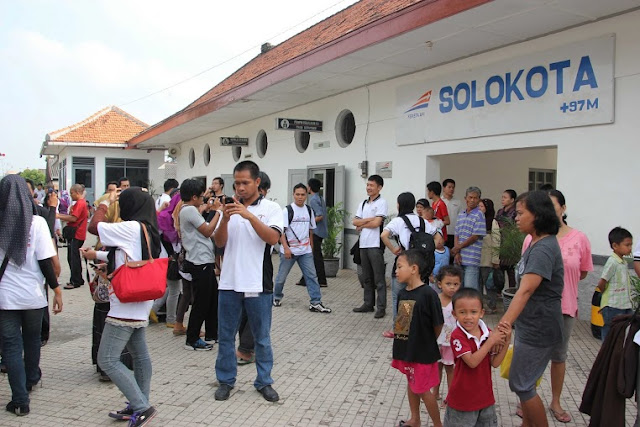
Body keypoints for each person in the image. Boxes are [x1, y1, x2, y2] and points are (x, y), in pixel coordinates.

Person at [81, 187, 164, 426]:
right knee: (139, 355)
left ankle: (141, 406)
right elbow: (126, 257)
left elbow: (93, 226)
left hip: (126, 305)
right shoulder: (146, 229)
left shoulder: (131, 227)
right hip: (139, 299)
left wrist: (105, 203)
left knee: (106, 359)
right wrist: (95, 254)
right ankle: (139, 403)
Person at [518, 189, 592, 422]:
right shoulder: (532, 238)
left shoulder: (578, 238)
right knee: (530, 364)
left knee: (558, 357)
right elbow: (525, 278)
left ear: (563, 208)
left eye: (551, 205)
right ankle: (530, 400)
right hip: (533, 312)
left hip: (564, 306)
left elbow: (581, 273)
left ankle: (555, 401)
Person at [214, 161, 283, 403]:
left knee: (261, 338)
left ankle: (264, 381)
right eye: (237, 183)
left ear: (257, 182)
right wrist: (224, 217)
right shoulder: (228, 210)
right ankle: (225, 380)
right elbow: (220, 244)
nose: (240, 187)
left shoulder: (272, 208)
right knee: (225, 336)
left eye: (245, 182)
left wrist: (248, 215)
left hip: (258, 284)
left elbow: (273, 238)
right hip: (229, 283)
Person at [498, 190, 563, 427]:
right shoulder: (536, 242)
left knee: (522, 384)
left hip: (540, 327)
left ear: (537, 215)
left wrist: (503, 326)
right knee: (522, 381)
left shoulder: (544, 248)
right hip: (531, 325)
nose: (515, 217)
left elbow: (525, 290)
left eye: (521, 213)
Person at [0, 175, 63, 417]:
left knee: (12, 348)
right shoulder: (36, 223)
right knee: (32, 340)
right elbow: (46, 262)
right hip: (34, 295)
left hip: (5, 298)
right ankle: (31, 378)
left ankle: (19, 400)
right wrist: (57, 290)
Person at [391, 249, 443, 427]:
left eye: (399, 266)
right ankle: (415, 419)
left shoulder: (429, 294)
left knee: (422, 389)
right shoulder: (402, 293)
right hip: (408, 350)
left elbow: (438, 324)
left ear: (414, 268)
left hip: (423, 352)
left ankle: (438, 424)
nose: (396, 271)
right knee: (411, 381)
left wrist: (426, 340)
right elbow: (403, 324)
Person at [444, 288, 510, 426]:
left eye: (473, 312)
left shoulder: (487, 333)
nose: (468, 317)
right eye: (462, 312)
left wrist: (506, 340)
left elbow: (495, 363)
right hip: (462, 401)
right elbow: (472, 362)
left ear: (481, 313)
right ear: (454, 314)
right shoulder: (457, 336)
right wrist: (492, 341)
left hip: (485, 398)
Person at [381, 192, 439, 337]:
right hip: (421, 265)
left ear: (399, 204)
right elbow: (438, 237)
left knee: (400, 296)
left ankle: (400, 329)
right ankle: (419, 327)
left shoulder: (398, 221)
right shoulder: (422, 221)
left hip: (404, 262)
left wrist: (394, 249)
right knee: (418, 295)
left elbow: (383, 235)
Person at [273, 183, 331, 313]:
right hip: (289, 251)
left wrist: (311, 246)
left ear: (306, 195)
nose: (300, 197)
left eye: (303, 195)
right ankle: (276, 297)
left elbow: (310, 230)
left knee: (312, 276)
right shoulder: (287, 210)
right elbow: (281, 231)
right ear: (293, 195)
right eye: (297, 194)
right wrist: (286, 248)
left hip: (305, 251)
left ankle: (316, 302)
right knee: (282, 277)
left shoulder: (309, 210)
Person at [179, 178, 222, 350]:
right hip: (199, 261)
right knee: (201, 302)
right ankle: (192, 339)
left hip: (205, 260)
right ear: (194, 197)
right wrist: (218, 212)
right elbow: (208, 231)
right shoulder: (189, 210)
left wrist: (209, 208)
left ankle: (212, 333)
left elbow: (201, 212)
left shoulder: (190, 209)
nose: (204, 199)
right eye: (201, 196)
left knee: (213, 299)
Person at [353, 175, 388, 318]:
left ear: (379, 187)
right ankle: (368, 304)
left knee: (379, 278)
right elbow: (354, 222)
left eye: (372, 185)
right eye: (367, 185)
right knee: (366, 277)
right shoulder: (363, 203)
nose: (368, 188)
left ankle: (381, 307)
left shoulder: (382, 203)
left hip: (375, 244)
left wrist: (362, 223)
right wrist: (368, 220)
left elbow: (377, 223)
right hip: (363, 244)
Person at [431, 265, 462, 402]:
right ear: (439, 284)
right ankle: (435, 393)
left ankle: (451, 396)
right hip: (436, 341)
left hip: (451, 342)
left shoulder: (459, 302)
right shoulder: (435, 299)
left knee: (450, 368)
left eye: (456, 284)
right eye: (448, 284)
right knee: (437, 367)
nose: (452, 287)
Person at [597, 227, 633, 342]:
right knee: (610, 332)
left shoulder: (623, 262)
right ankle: (606, 355)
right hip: (613, 306)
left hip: (625, 304)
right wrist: (605, 297)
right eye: (627, 245)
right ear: (615, 246)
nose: (630, 248)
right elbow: (602, 282)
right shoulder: (612, 262)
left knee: (621, 333)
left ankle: (615, 357)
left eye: (631, 245)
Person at [295, 178, 328, 288]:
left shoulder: (313, 199)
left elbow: (319, 215)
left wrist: (309, 223)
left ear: (310, 187)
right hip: (320, 231)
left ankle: (320, 280)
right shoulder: (320, 197)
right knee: (314, 256)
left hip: (316, 232)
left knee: (313, 256)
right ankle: (307, 279)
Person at [451, 187, 486, 290]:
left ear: (479, 199)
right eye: (470, 197)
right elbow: (456, 234)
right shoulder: (461, 214)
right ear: (465, 198)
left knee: (469, 290)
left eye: (475, 198)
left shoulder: (479, 215)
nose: (472, 200)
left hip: (471, 259)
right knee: (457, 289)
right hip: (459, 258)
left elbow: (475, 236)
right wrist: (457, 253)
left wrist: (458, 248)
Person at [57, 184, 88, 289]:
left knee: (73, 258)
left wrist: (58, 216)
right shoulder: (80, 203)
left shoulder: (80, 203)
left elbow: (74, 218)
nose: (71, 195)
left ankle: (75, 280)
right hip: (78, 233)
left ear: (78, 193)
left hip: (77, 233)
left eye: (72, 193)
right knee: (73, 257)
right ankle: (78, 279)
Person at [478, 198, 500, 313]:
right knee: (478, 285)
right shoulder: (477, 221)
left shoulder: (492, 222)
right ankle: (479, 306)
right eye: (479, 206)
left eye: (482, 206)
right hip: (477, 259)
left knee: (489, 284)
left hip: (488, 260)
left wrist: (495, 259)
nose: (479, 209)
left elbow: (496, 241)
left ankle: (492, 306)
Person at [496, 189, 518, 288]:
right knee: (499, 269)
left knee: (511, 270)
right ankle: (499, 292)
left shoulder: (515, 212)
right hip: (499, 242)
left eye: (505, 197)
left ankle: (511, 291)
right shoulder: (500, 211)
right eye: (502, 197)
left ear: (512, 199)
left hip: (510, 243)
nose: (502, 199)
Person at [441, 179, 461, 254]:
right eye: (449, 187)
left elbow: (460, 217)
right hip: (443, 233)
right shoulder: (440, 201)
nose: (451, 189)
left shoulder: (458, 202)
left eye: (453, 187)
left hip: (454, 233)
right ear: (444, 188)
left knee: (453, 254)